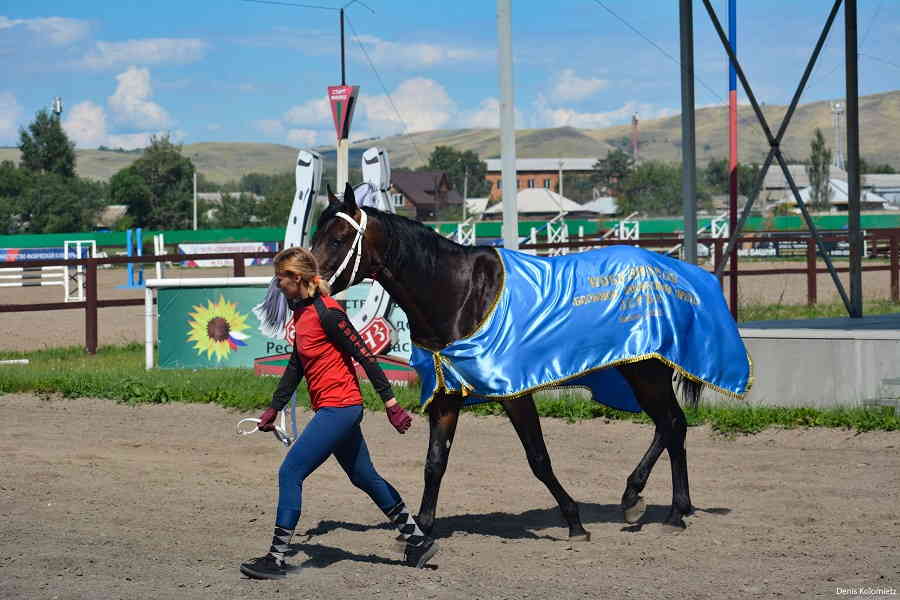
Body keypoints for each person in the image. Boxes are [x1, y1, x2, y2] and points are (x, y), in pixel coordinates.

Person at [240, 247, 439, 580]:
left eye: (281, 279)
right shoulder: (300, 310)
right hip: (335, 408)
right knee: (364, 477)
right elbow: (296, 364)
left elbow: (365, 355)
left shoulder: (328, 312)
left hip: (340, 408)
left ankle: (276, 558)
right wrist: (274, 407)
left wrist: (391, 404)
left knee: (291, 473)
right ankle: (417, 541)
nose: (277, 285)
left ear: (298, 278)